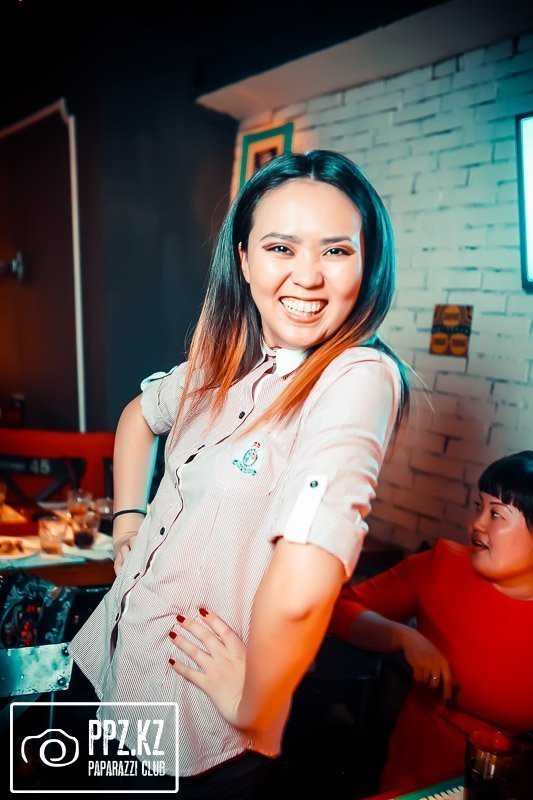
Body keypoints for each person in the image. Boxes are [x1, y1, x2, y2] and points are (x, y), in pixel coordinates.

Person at [68, 149, 409, 799]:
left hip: (185, 726)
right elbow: (138, 417)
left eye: (336, 251)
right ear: (245, 259)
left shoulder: (357, 378)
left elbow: (305, 578)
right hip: (107, 660)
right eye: (281, 247)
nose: (307, 275)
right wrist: (127, 523)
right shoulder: (225, 359)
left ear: (367, 264)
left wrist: (254, 705)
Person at [327, 451, 533, 794]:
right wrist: (403, 637)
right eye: (479, 507)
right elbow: (335, 608)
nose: (477, 524)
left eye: (496, 513)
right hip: (416, 781)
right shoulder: (442, 566)